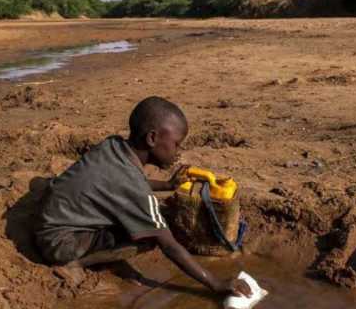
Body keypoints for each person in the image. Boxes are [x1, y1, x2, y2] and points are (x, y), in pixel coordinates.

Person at [34, 96, 252, 298]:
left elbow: (120, 185)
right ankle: (78, 262)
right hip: (58, 243)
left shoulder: (114, 146)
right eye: (176, 143)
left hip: (53, 219)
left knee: (141, 218)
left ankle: (98, 254)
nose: (178, 151)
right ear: (152, 138)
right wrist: (216, 283)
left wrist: (166, 185)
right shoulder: (132, 184)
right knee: (149, 237)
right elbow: (168, 245)